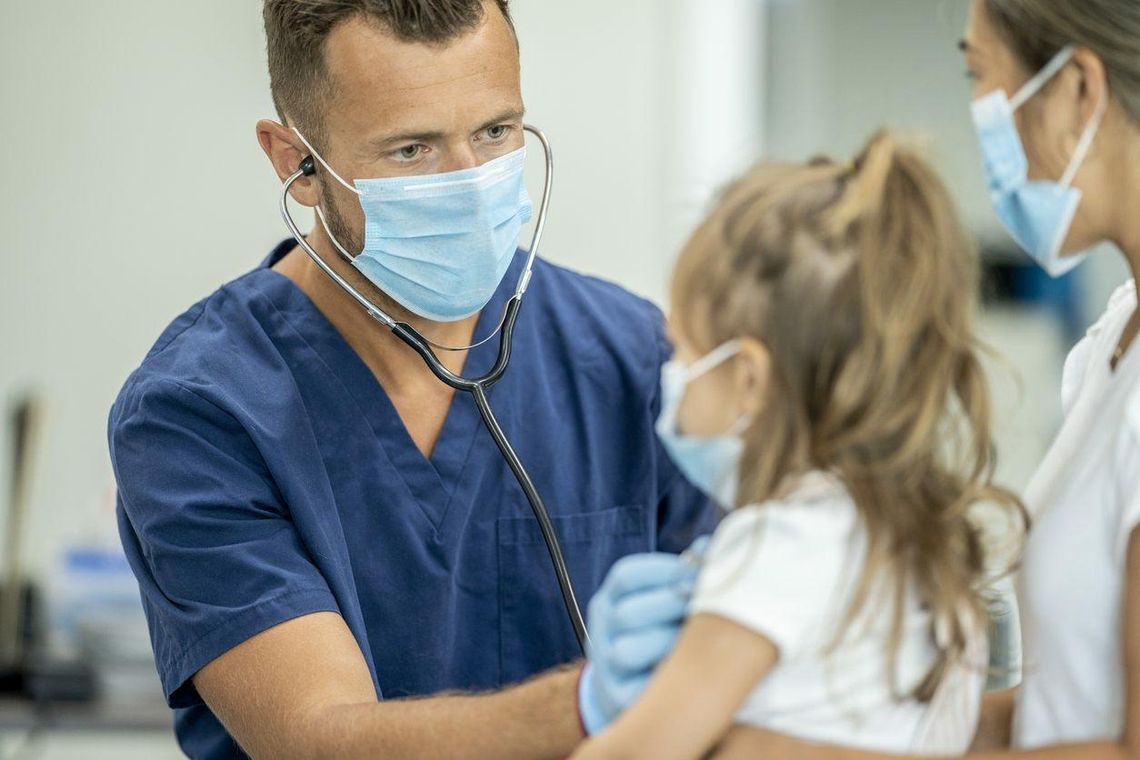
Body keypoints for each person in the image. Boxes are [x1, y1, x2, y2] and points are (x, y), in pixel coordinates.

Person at [106, 1, 714, 757]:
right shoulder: (197, 410)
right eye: (411, 151)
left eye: (495, 131)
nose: (471, 183)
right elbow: (317, 739)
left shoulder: (631, 357)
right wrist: (592, 704)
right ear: (293, 161)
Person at [597, 1, 1140, 758]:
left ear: (1078, 89)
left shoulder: (779, 544)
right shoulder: (1112, 344)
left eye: (978, 73)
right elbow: (1056, 713)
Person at [569, 131, 1023, 760]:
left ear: (748, 379)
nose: (671, 376)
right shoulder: (910, 538)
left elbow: (641, 751)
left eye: (683, 351)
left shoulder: (777, 544)